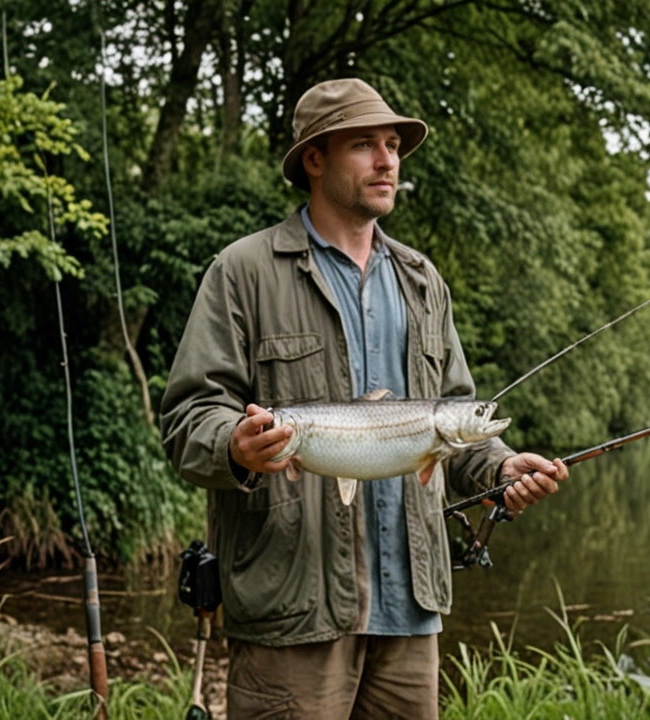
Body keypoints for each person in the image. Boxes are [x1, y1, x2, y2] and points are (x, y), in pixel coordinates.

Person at [159, 78, 570, 719]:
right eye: (364, 145)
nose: (388, 161)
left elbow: (454, 419)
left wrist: (500, 465)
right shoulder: (242, 271)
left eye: (393, 146)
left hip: (411, 612)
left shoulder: (423, 281)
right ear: (315, 159)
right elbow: (188, 419)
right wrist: (235, 447)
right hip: (290, 611)